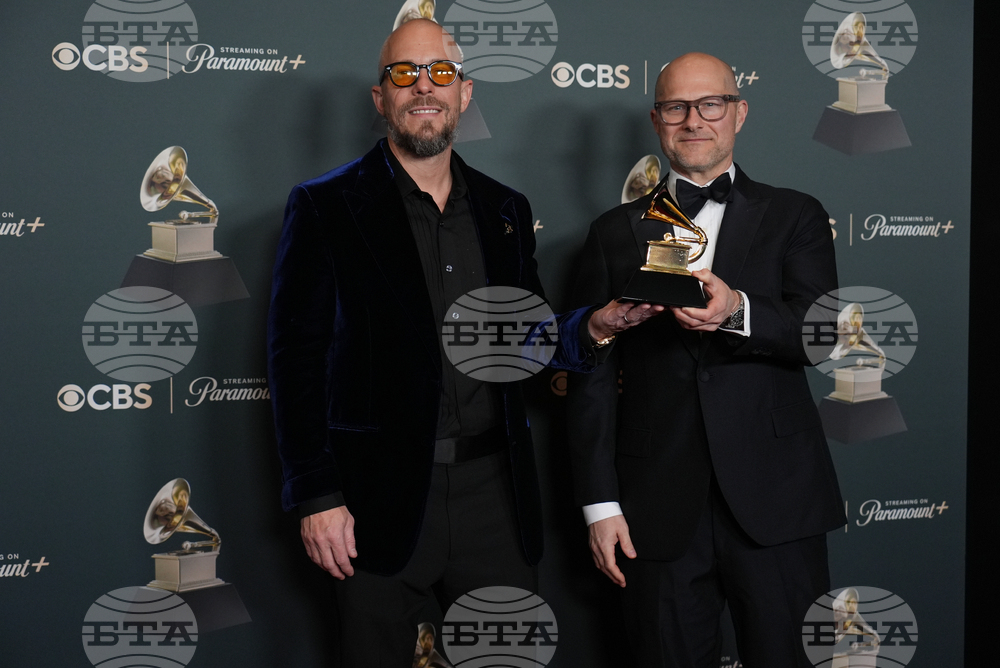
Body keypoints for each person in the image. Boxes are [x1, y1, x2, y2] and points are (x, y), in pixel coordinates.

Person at [267, 18, 657, 667]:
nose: (425, 87)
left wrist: (593, 327)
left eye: (440, 73)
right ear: (380, 97)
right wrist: (318, 497)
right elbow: (294, 361)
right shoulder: (324, 206)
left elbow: (526, 341)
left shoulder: (504, 210)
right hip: (373, 504)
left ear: (465, 93)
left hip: (494, 500)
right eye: (405, 74)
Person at [566, 52, 845, 667]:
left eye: (710, 104)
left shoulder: (796, 215)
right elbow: (591, 373)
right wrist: (601, 505)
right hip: (654, 511)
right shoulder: (614, 231)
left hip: (778, 504)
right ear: (656, 119)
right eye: (676, 107)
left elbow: (821, 334)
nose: (694, 120)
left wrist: (737, 309)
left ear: (738, 113)